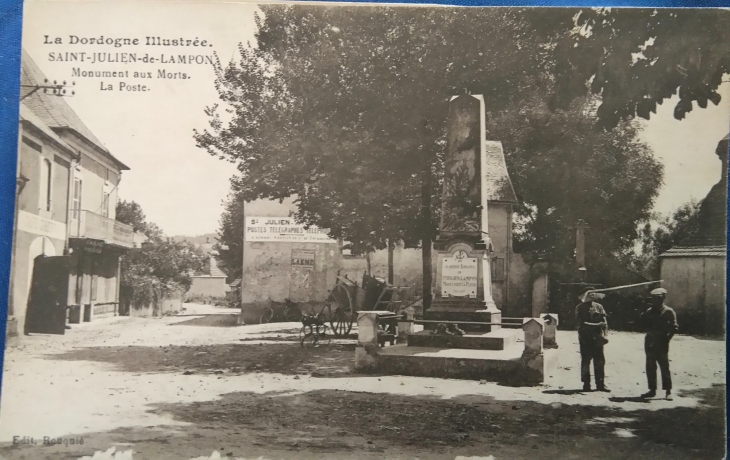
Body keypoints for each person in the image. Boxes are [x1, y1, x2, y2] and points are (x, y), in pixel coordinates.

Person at [640, 288, 679, 400]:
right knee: (650, 365)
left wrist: (667, 339)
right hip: (650, 341)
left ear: (662, 299)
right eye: (653, 298)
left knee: (664, 366)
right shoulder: (649, 311)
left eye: (657, 298)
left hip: (662, 341)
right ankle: (652, 390)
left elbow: (674, 327)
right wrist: (644, 312)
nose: (655, 300)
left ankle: (668, 391)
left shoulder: (668, 311)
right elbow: (642, 324)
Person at [575, 290, 610, 392]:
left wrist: (606, 335)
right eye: (590, 294)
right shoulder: (580, 307)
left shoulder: (599, 307)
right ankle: (586, 384)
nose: (592, 295)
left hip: (598, 337)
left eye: (593, 293)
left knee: (600, 361)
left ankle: (600, 384)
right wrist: (597, 325)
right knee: (586, 360)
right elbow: (581, 323)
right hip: (585, 337)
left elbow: (605, 322)